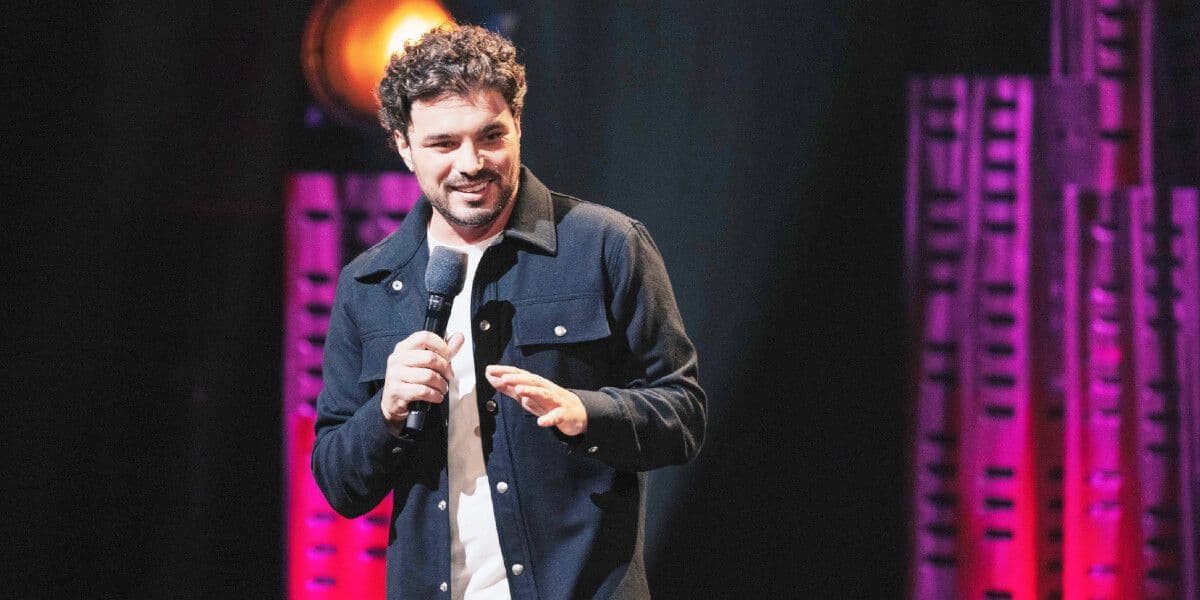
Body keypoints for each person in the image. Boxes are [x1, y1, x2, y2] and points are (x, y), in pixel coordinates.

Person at [311, 24, 705, 599]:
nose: (471, 163)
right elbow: (340, 484)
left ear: (518, 125)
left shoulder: (606, 245)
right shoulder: (368, 283)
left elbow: (685, 414)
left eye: (490, 135)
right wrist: (388, 408)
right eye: (444, 144)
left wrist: (586, 413)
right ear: (403, 146)